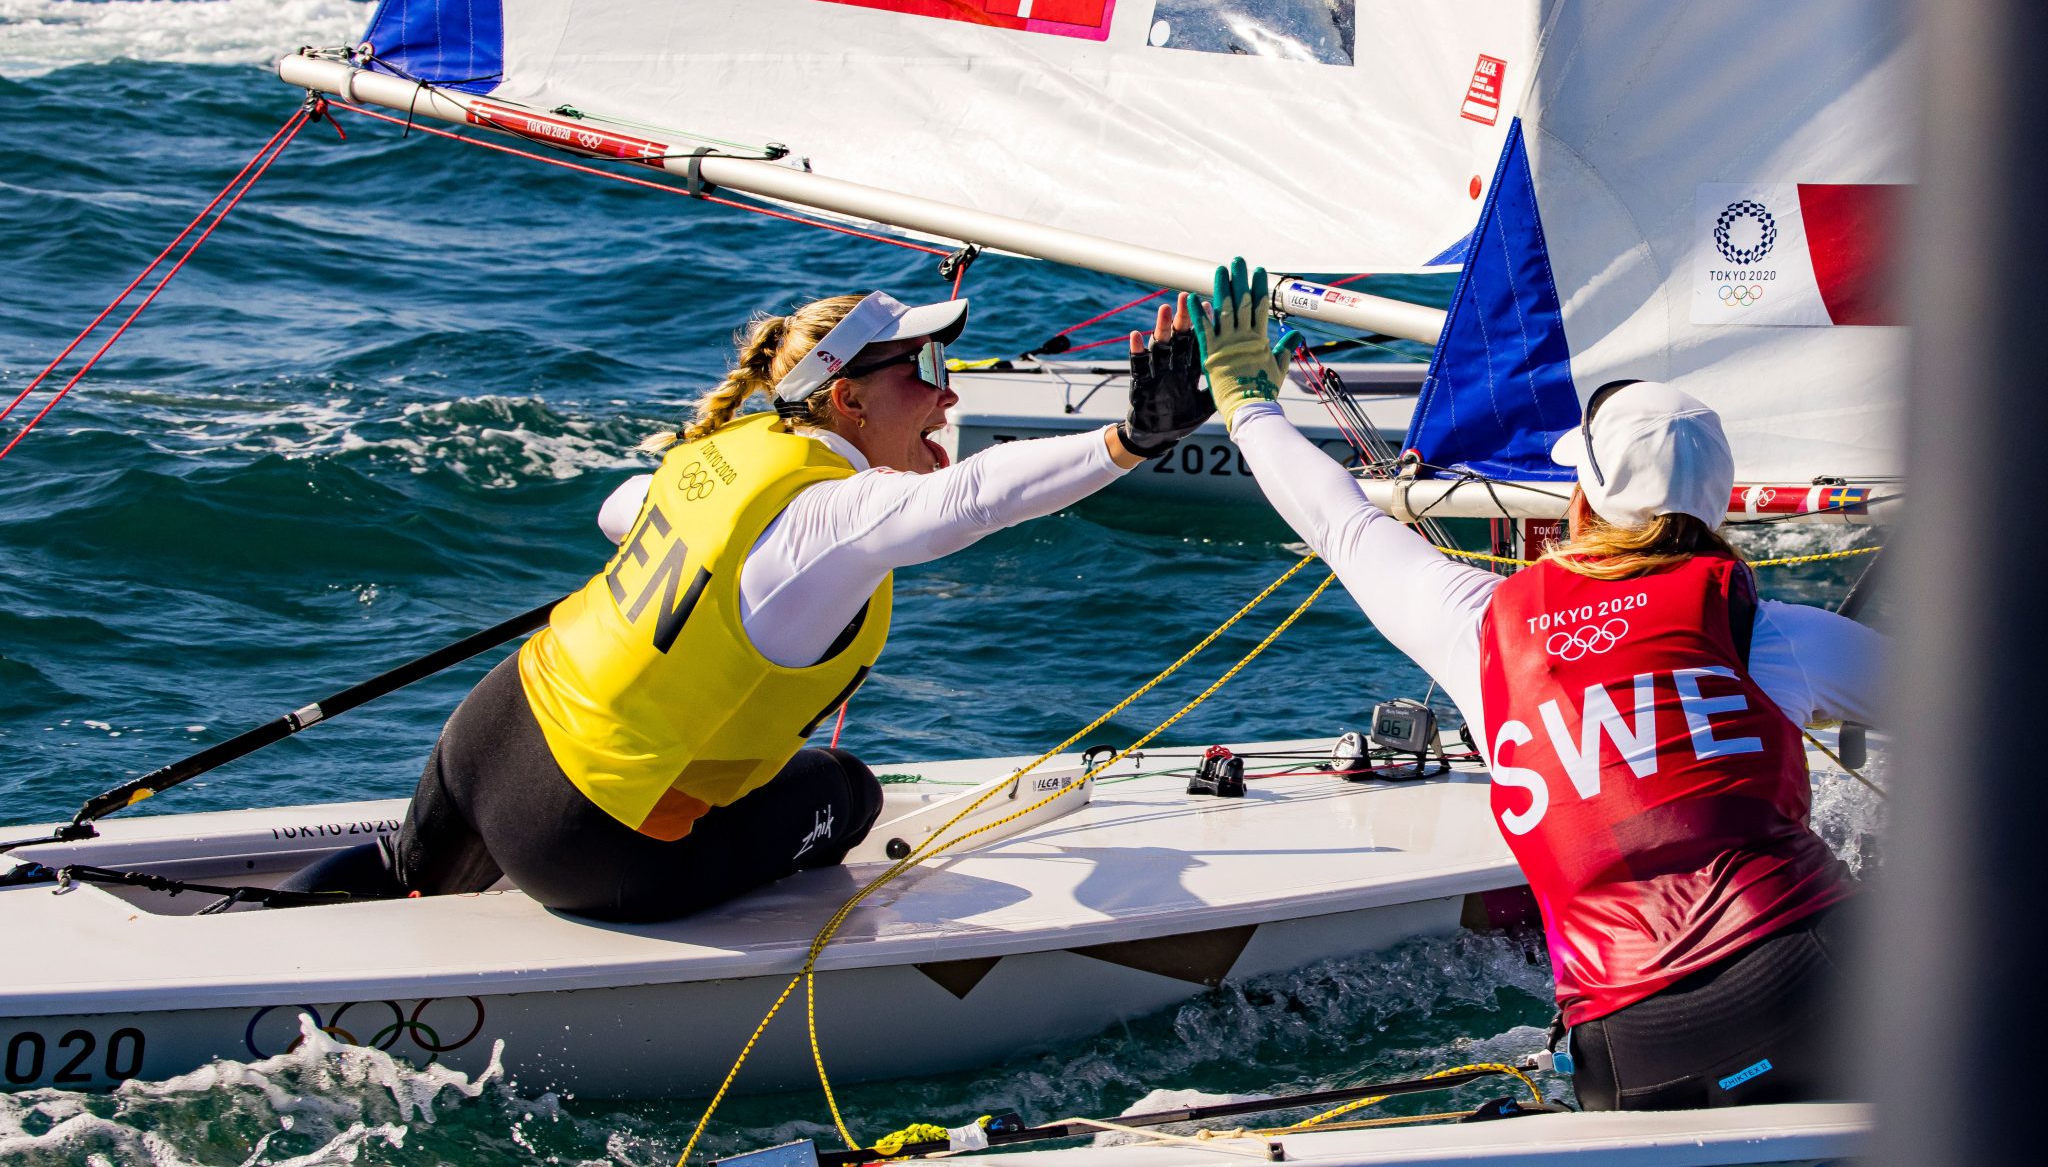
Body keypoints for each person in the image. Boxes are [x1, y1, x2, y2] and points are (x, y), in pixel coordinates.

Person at [1193, 258, 1886, 1112]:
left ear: (1582, 507)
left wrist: (1245, 401)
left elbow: (1340, 521)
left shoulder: (1477, 626)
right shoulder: (1772, 632)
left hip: (1630, 1046)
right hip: (1824, 981)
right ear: (1716, 511)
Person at [283, 288, 1212, 921]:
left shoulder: (714, 457)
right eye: (921, 369)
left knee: (408, 874)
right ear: (845, 398)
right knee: (847, 795)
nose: (948, 390)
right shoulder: (830, 512)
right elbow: (970, 500)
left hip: (489, 737)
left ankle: (246, 938)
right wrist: (1129, 439)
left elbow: (622, 512)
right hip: (586, 838)